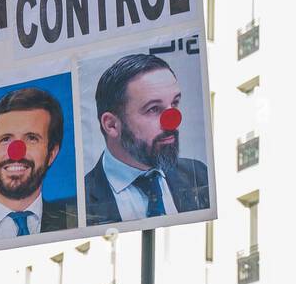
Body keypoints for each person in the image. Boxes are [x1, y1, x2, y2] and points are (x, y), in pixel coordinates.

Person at [85, 54, 209, 225]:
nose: (172, 121)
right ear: (112, 124)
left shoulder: (199, 175)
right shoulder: (81, 202)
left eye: (174, 103)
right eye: (153, 109)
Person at [0, 87, 78, 243]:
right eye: (5, 139)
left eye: (31, 138)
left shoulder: (76, 220)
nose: (16, 152)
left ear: (52, 153)